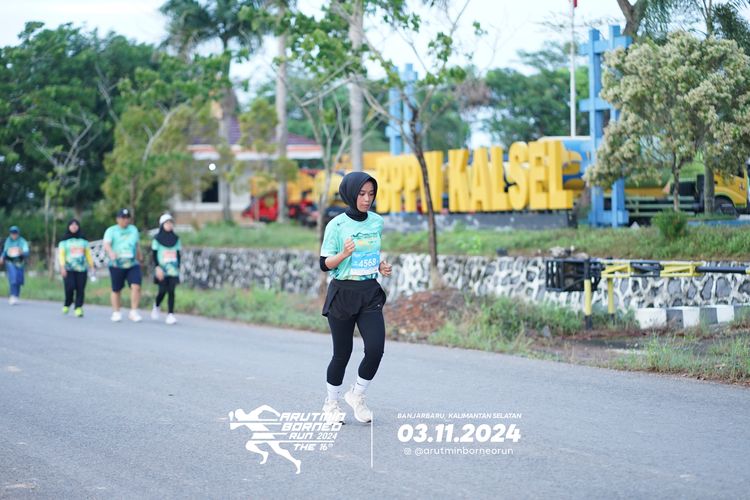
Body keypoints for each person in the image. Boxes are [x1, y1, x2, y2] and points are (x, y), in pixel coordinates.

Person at [319, 171, 393, 425]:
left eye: (371, 194)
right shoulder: (336, 225)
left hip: (369, 292)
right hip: (342, 293)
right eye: (362, 194)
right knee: (342, 353)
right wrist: (343, 254)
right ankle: (331, 403)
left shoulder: (376, 222)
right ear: (350, 194)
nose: (367, 199)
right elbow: (324, 264)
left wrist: (380, 266)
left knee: (375, 349)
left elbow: (370, 254)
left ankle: (357, 395)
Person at [103, 208, 143, 322]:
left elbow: (137, 244)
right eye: (123, 218)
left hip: (132, 263)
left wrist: (140, 256)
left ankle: (133, 311)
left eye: (127, 218)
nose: (125, 220)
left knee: (136, 286)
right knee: (117, 289)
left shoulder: (133, 230)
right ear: (118, 219)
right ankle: (116, 312)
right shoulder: (111, 230)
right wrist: (111, 252)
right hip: (117, 264)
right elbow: (106, 244)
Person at [58, 219, 95, 317]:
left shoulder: (83, 241)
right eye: (72, 225)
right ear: (68, 227)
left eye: (76, 225)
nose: (74, 227)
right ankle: (67, 303)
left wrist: (92, 265)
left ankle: (78, 307)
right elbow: (61, 255)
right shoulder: (64, 242)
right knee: (70, 287)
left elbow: (88, 254)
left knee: (80, 288)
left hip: (82, 269)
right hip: (68, 268)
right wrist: (62, 267)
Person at [151, 213, 181, 325]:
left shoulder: (176, 239)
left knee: (171, 291)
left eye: (171, 223)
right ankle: (157, 305)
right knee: (162, 291)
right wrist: (157, 267)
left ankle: (170, 314)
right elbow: (154, 255)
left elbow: (178, 254)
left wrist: (178, 267)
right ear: (162, 225)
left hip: (173, 269)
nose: (169, 225)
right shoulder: (157, 239)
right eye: (167, 223)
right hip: (162, 269)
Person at [1, 226, 30, 305]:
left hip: (20, 263)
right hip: (10, 262)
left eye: (15, 233)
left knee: (19, 280)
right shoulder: (8, 241)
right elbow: (5, 251)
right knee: (13, 279)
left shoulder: (22, 241)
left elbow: (26, 252)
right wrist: (2, 258)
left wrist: (22, 252)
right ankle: (12, 295)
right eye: (12, 233)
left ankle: (16, 296)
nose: (13, 234)